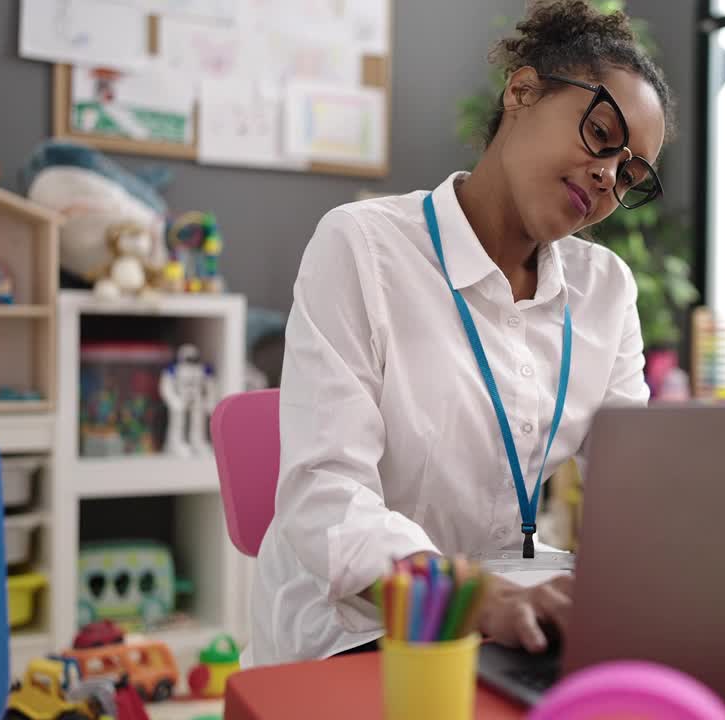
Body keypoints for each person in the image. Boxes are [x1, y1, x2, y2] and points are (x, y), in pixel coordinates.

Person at [246, 0, 676, 666]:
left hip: (508, 622)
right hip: (354, 633)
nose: (607, 177)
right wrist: (478, 602)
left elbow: (637, 489)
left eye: (630, 176)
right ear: (522, 90)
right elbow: (326, 497)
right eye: (599, 135)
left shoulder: (606, 289)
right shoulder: (362, 247)